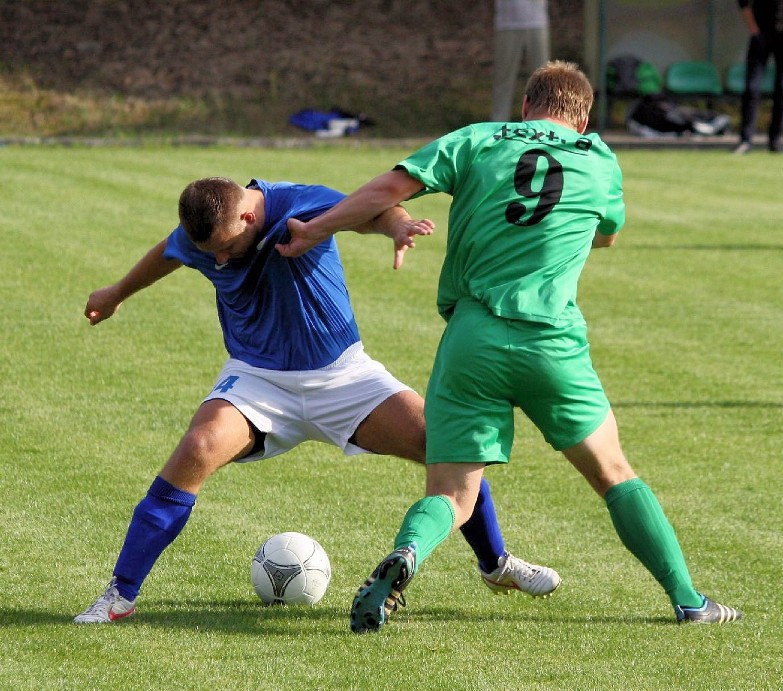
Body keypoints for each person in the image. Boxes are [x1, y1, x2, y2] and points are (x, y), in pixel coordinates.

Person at [278, 61, 744, 633]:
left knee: (452, 493)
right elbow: (609, 231)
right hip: (552, 343)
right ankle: (689, 601)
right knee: (614, 474)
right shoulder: (599, 160)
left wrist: (316, 228)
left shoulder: (478, 139)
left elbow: (388, 189)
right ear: (585, 116)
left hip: (473, 338)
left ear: (525, 105)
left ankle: (406, 556)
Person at [73, 177, 560, 624]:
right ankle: (120, 595)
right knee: (197, 448)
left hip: (342, 376)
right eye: (211, 255)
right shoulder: (206, 231)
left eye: (226, 250)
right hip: (256, 380)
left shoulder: (296, 203)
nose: (220, 261)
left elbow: (371, 210)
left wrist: (399, 226)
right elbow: (170, 252)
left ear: (247, 216)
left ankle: (496, 565)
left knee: (447, 444)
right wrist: (117, 292)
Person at [734, 0, 783, 154]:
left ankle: (775, 140)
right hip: (761, 34)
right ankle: (746, 139)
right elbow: (743, 3)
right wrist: (753, 28)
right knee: (752, 88)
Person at [491, 0, 550, 121]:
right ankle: (498, 123)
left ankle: (544, 121)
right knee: (503, 77)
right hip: (507, 23)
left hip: (537, 22)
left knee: (543, 79)